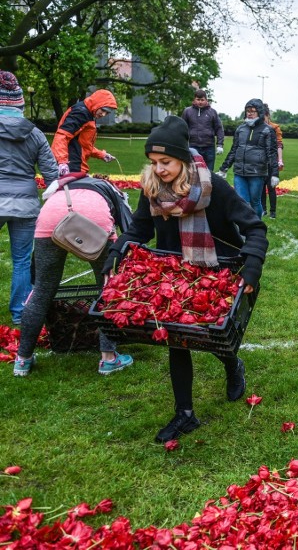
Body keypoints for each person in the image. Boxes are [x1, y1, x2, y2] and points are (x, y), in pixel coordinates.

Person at [104, 115, 268, 442]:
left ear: (181, 157)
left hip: (218, 270)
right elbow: (139, 229)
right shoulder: (152, 187)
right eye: (153, 162)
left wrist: (251, 267)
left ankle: (232, 365)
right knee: (177, 340)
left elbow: (255, 227)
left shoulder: (213, 187)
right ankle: (185, 414)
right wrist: (117, 250)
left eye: (165, 161)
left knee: (213, 336)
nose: (159, 169)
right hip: (175, 272)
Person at [13, 175, 135, 377]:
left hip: (51, 216)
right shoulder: (110, 189)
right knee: (107, 287)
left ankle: (22, 360)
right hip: (95, 217)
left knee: (42, 290)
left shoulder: (60, 188)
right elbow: (128, 227)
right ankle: (108, 358)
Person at [0, 70, 59, 325]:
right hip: (25, 203)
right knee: (22, 260)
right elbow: (52, 175)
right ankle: (19, 312)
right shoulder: (35, 133)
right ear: (20, 102)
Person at [217, 99, 277, 218]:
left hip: (257, 173)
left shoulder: (267, 130)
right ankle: (243, 229)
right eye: (247, 111)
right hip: (240, 172)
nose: (249, 113)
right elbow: (234, 150)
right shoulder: (240, 129)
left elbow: (272, 153)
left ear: (259, 112)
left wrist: (274, 174)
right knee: (241, 201)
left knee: (255, 202)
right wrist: (224, 168)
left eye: (252, 111)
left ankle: (256, 226)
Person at [51, 89, 118, 175]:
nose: (103, 114)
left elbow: (84, 145)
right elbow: (62, 135)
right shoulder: (81, 113)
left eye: (107, 112)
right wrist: (62, 162)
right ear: (97, 104)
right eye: (103, 110)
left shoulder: (89, 114)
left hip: (76, 165)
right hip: (71, 165)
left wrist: (102, 154)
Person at [181, 89, 225, 172]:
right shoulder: (187, 111)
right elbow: (182, 128)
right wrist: (182, 143)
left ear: (206, 100)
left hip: (209, 147)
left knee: (209, 172)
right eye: (198, 99)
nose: (200, 102)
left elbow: (219, 128)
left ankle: (208, 185)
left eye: (202, 100)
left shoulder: (212, 112)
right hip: (193, 146)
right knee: (193, 172)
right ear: (194, 100)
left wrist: (220, 144)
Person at [260, 103, 283, 218]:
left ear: (267, 115)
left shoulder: (274, 127)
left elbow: (279, 145)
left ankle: (273, 212)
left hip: (271, 161)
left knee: (271, 187)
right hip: (260, 162)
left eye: (263, 116)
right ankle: (263, 209)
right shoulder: (258, 127)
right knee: (261, 187)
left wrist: (280, 160)